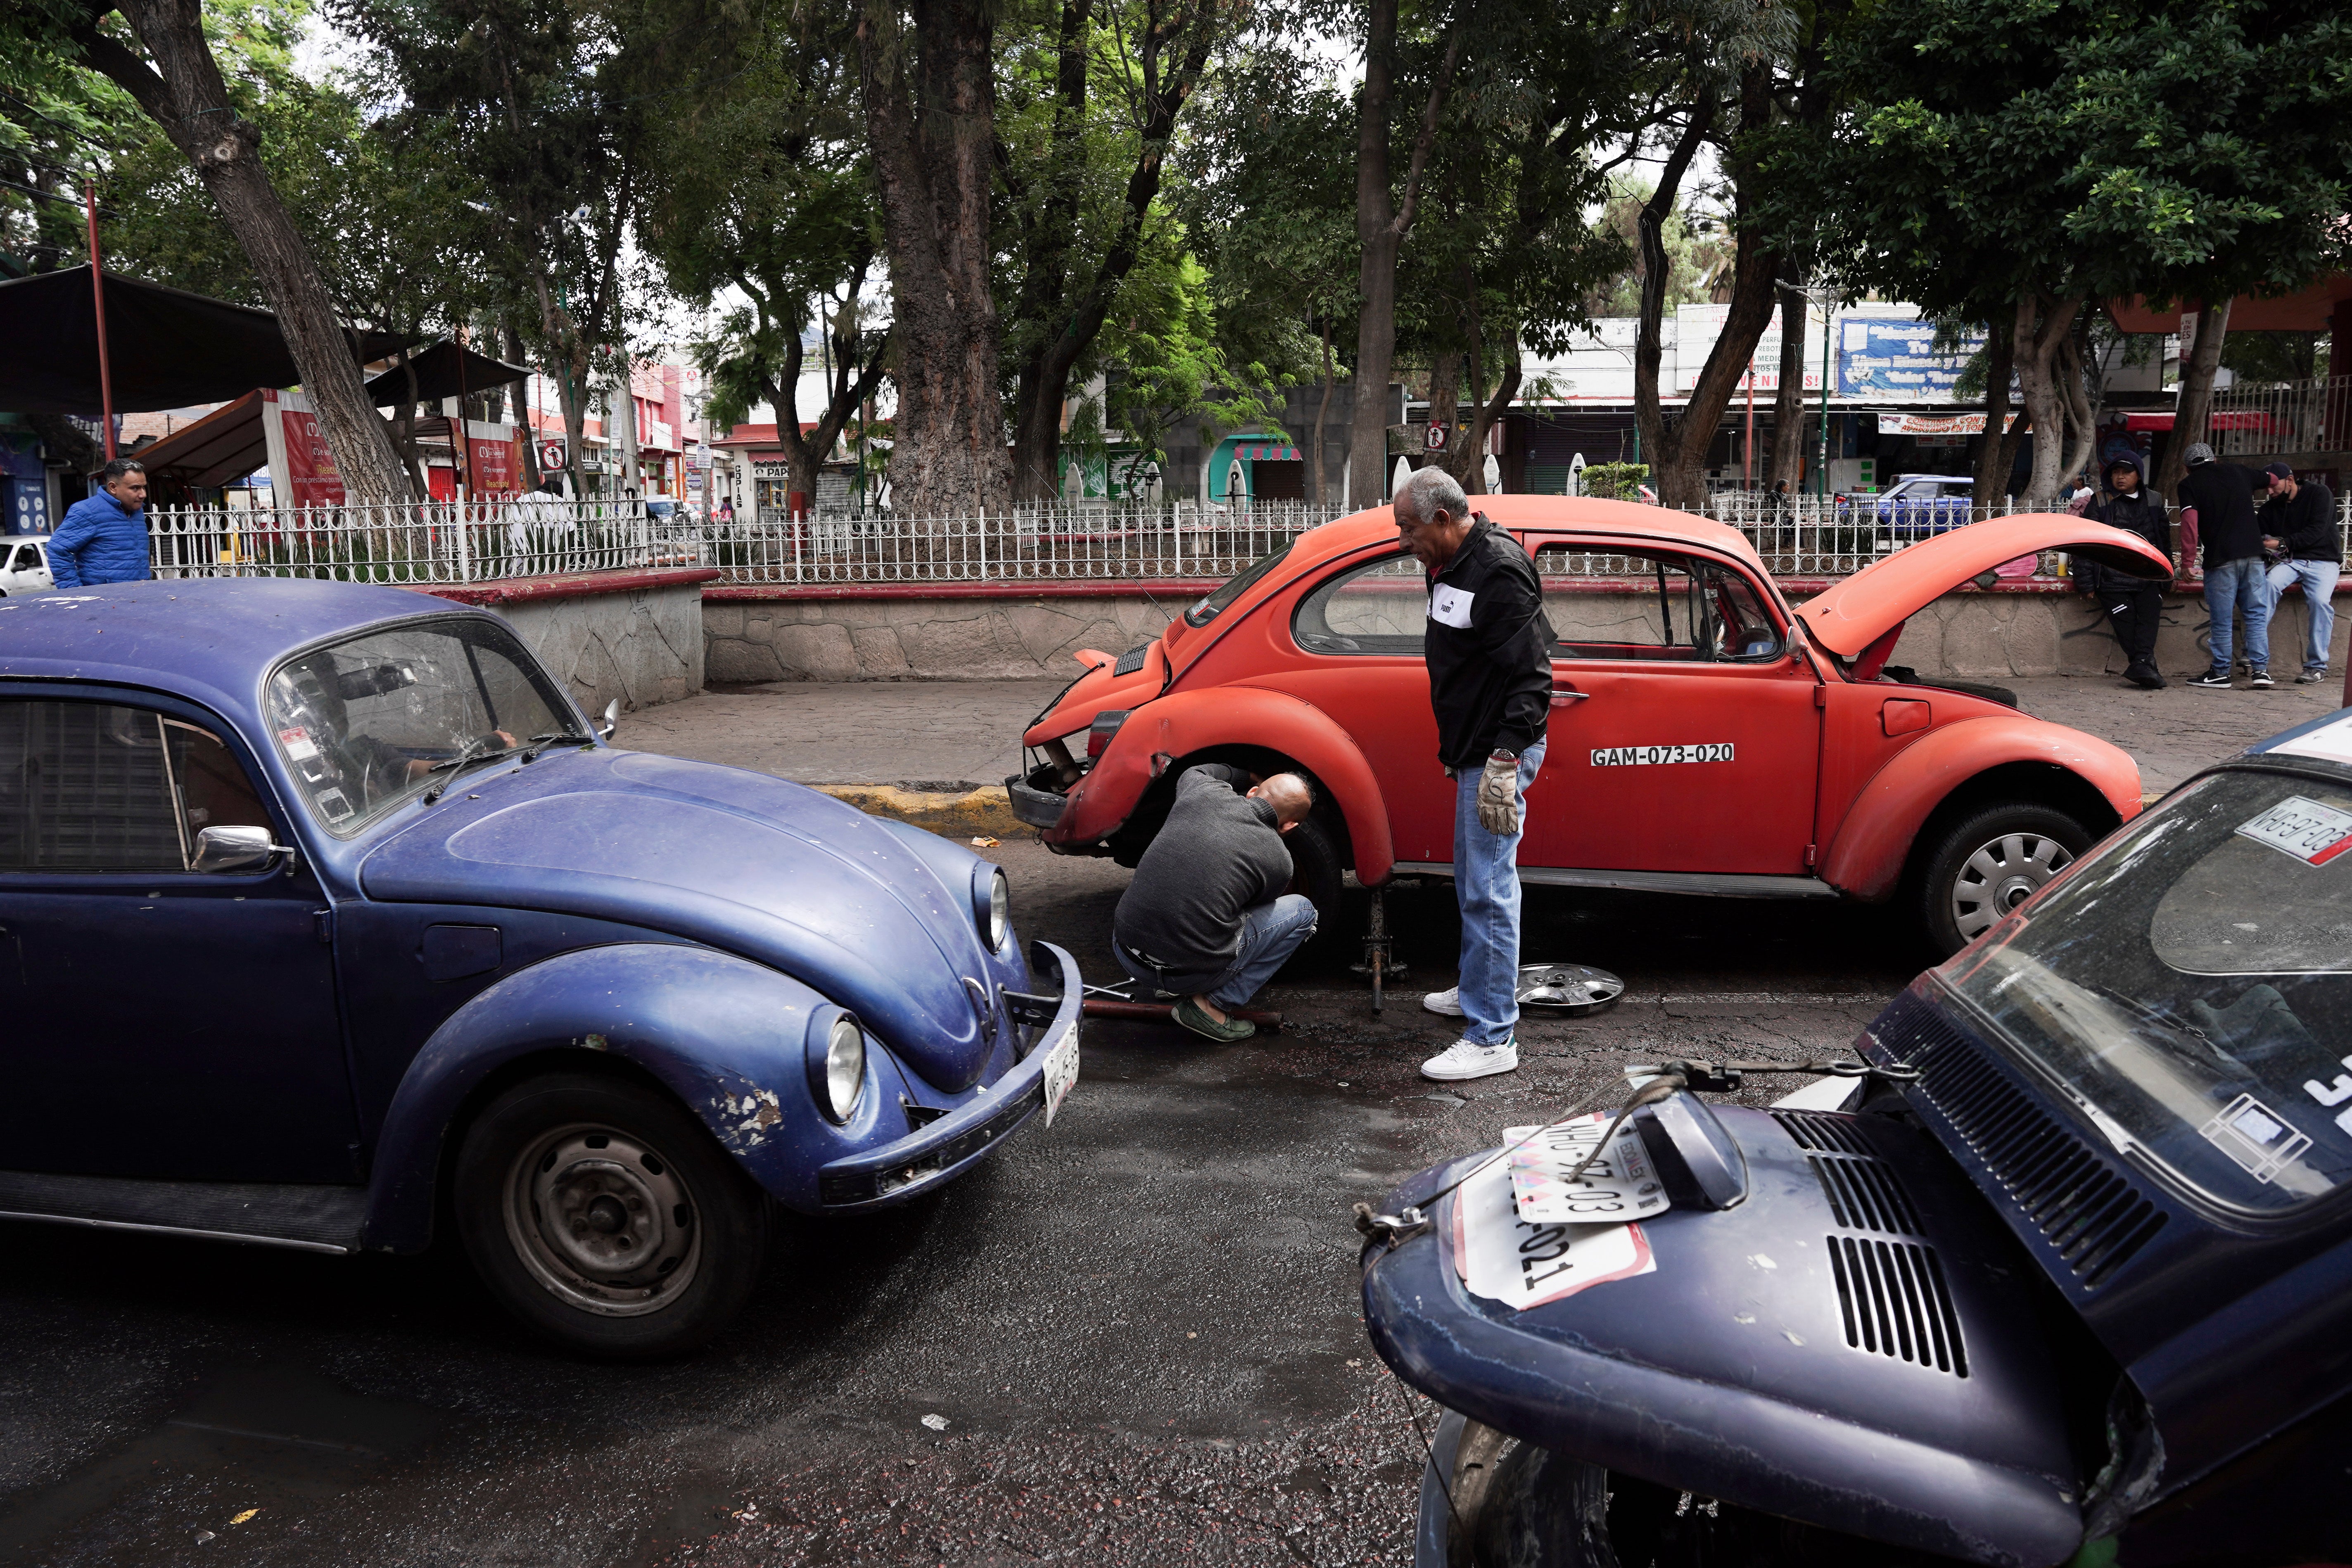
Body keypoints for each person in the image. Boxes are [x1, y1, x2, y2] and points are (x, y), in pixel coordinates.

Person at [1395, 466, 1552, 1082]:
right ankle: (1476, 990)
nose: (1404, 541)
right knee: (1472, 881)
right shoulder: (1447, 563)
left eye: (1408, 529)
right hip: (1471, 750)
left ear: (1442, 518)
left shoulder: (1496, 570)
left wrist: (1503, 762)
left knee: (1488, 889)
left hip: (1496, 753)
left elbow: (1532, 678)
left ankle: (1492, 1035)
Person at [1111, 764, 1319, 1042]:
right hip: (1191, 975)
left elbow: (1198, 770)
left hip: (1127, 954)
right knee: (1303, 911)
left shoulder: (1202, 791)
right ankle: (1211, 1006)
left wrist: (1249, 774)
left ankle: (1169, 984)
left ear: (1252, 792)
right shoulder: (1280, 861)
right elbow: (1256, 908)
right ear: (1290, 825)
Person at [2175, 442, 2272, 689]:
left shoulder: (2189, 485)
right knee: (2256, 615)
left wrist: (2187, 562)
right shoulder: (2239, 471)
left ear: (2187, 468)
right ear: (2214, 460)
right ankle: (2261, 671)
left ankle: (2220, 672)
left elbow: (2190, 523)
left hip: (2221, 558)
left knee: (2222, 618)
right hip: (2254, 554)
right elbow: (2271, 478)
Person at [2081, 455, 2173, 689]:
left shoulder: (2154, 500)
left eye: (2126, 472)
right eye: (2116, 472)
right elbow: (2085, 543)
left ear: (2138, 475)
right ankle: (2145, 666)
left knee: (2149, 622)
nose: (2120, 477)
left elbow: (2164, 540)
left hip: (2148, 577)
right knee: (2127, 625)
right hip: (2111, 580)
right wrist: (2086, 582)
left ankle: (2142, 667)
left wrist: (2167, 576)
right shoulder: (2100, 501)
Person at [2259, 463, 2340, 683]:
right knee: (2268, 586)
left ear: (2290, 480)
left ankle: (2316, 666)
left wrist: (2282, 543)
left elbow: (2317, 531)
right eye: (2267, 487)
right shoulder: (2269, 509)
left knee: (2320, 602)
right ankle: (2254, 652)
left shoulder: (2319, 494)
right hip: (2291, 561)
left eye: (2274, 486)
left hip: (2323, 560)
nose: (2270, 491)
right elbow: (2259, 537)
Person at [48, 458, 151, 588]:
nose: (143, 494)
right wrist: (74, 591)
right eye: (135, 488)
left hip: (139, 594)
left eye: (143, 487)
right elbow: (58, 550)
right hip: (104, 598)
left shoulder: (137, 512)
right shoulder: (87, 511)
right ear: (113, 487)